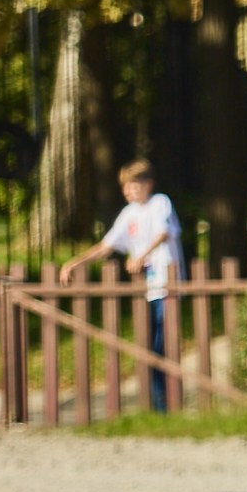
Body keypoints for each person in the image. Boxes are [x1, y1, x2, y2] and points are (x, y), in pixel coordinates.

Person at [69, 159, 184, 412]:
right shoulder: (129, 213)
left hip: (167, 285)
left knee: (162, 345)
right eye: (125, 188)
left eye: (133, 186)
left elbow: (164, 233)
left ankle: (167, 404)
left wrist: (142, 256)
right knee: (148, 347)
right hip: (147, 289)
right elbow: (107, 244)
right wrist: (76, 263)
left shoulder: (160, 202)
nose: (128, 192)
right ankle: (159, 405)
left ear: (147, 185)